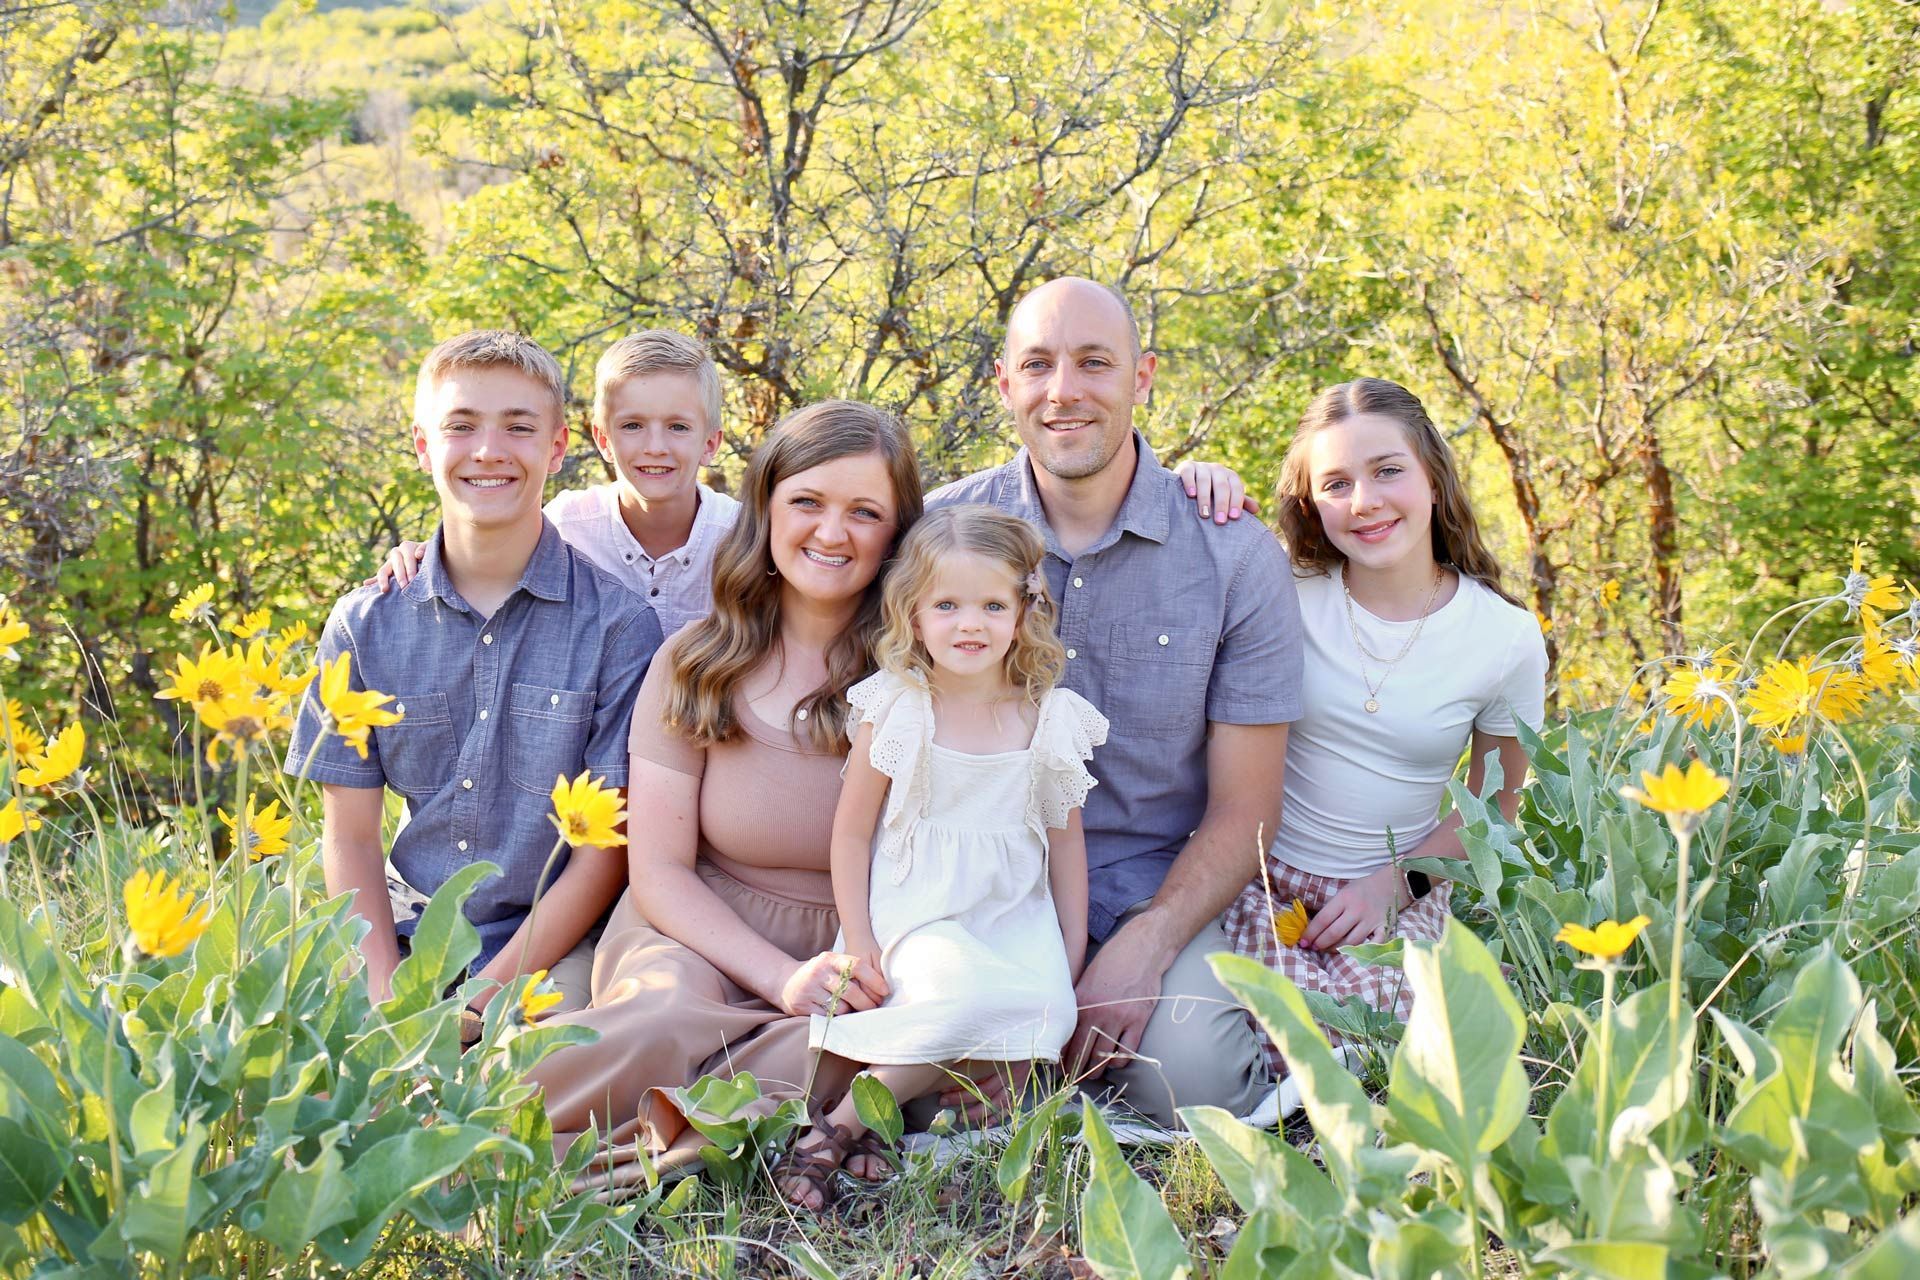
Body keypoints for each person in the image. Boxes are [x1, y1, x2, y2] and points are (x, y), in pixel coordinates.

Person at [928, 277, 1303, 1127]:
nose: (1065, 390)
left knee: (1197, 1086)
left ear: (1143, 377)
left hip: (1146, 887)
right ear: (1004, 384)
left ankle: (1091, 1051)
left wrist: (1147, 946)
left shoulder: (1235, 558)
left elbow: (1248, 806)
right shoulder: (937, 535)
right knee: (934, 1089)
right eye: (1039, 365)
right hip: (978, 884)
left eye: (1095, 363)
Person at [528, 399, 924, 1192]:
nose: (832, 532)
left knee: (854, 1057)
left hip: (857, 954)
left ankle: (627, 1153)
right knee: (662, 1021)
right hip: (693, 928)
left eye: (865, 512)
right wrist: (780, 978)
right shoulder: (698, 661)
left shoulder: (921, 677)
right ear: (766, 509)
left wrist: (835, 977)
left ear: (898, 534)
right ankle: (442, 1121)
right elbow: (661, 870)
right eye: (807, 502)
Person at [287, 330, 660, 1018]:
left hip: (545, 944)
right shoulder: (366, 623)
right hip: (396, 931)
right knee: (311, 1073)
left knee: (536, 1080)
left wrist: (477, 1004)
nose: (489, 450)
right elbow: (348, 837)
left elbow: (603, 855)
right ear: (425, 446)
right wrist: (385, 996)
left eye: (518, 427)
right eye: (462, 426)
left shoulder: (617, 627)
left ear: (557, 447)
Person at [776, 505, 1108, 1208]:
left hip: (1013, 920)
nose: (970, 624)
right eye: (947, 605)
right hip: (915, 916)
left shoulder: (1047, 715)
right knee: (955, 994)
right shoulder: (901, 706)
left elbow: (1065, 847)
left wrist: (1069, 954)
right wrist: (860, 941)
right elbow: (851, 833)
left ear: (1024, 611)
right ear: (914, 615)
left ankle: (877, 1128)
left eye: (992, 604)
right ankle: (834, 1132)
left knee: (1045, 1007)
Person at [1221, 377, 1546, 1068]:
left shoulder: (1505, 637)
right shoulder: (1280, 593)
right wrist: (1201, 481)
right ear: (1309, 503)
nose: (1364, 503)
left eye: (1388, 471)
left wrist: (1395, 885)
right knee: (1269, 1038)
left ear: (1433, 477)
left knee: (1386, 1049)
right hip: (1259, 882)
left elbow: (1497, 806)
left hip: (1392, 894)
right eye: (1335, 484)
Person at [375, 329, 739, 638]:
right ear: (603, 440)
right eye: (632, 426)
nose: (655, 447)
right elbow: (493, 542)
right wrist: (427, 555)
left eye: (678, 427)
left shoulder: (744, 537)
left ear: (710, 443)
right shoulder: (568, 524)